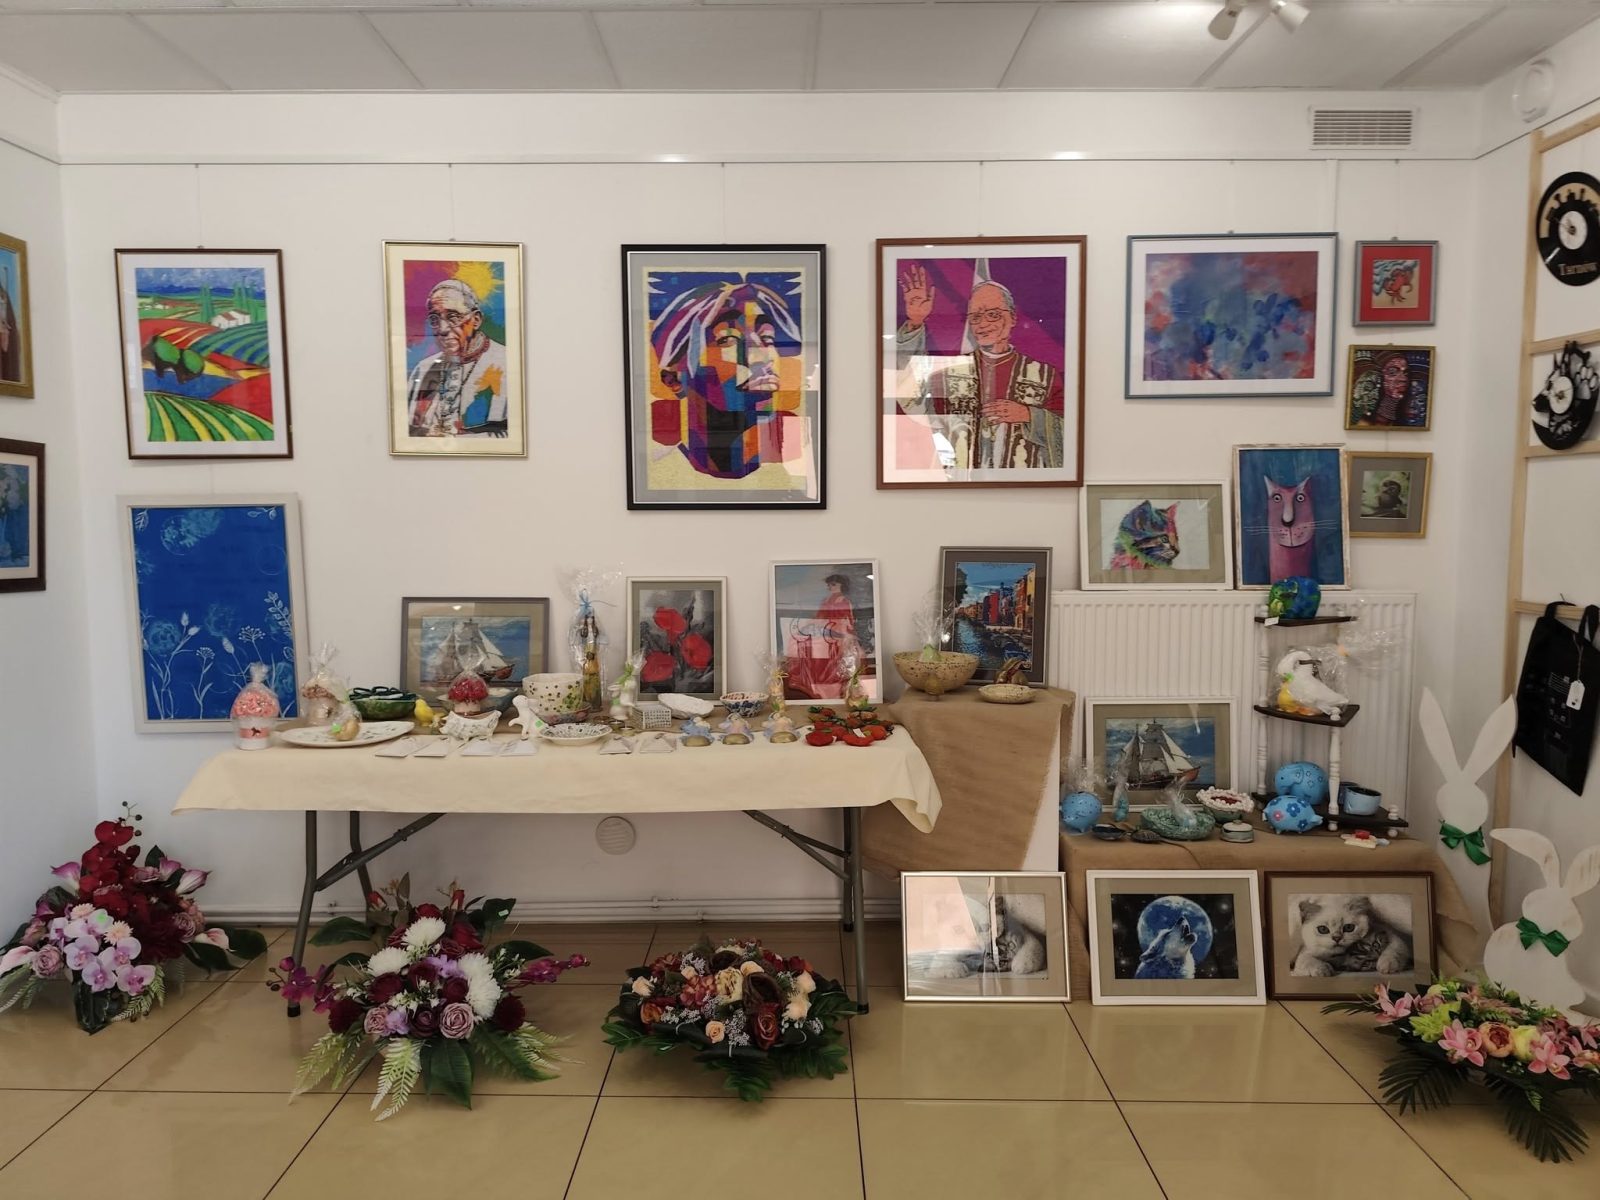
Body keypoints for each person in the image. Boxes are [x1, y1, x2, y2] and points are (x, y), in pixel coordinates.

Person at [894, 268, 1064, 472]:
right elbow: (913, 404)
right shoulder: (950, 372)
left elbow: (1071, 432)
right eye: (975, 317)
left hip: (1022, 485)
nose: (982, 324)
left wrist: (1029, 415)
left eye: (993, 315)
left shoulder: (1044, 376)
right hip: (961, 481)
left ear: (1012, 318)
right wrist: (915, 322)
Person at [649, 275, 804, 479]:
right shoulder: (665, 473)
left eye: (767, 337)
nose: (762, 356)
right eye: (728, 339)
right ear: (674, 380)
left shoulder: (793, 472)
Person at [405, 278, 508, 438]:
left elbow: (514, 436)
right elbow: (408, 431)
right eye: (434, 319)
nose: (442, 329)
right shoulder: (424, 368)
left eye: (453, 317)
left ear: (476, 320)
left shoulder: (506, 363)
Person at [784, 573, 856, 700]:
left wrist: (846, 634)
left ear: (842, 585)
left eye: (833, 584)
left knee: (818, 643)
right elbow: (819, 617)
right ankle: (802, 679)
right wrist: (811, 624)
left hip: (837, 630)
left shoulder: (844, 601)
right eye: (829, 585)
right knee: (797, 639)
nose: (830, 587)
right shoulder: (826, 600)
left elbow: (848, 620)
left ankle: (825, 686)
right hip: (825, 627)